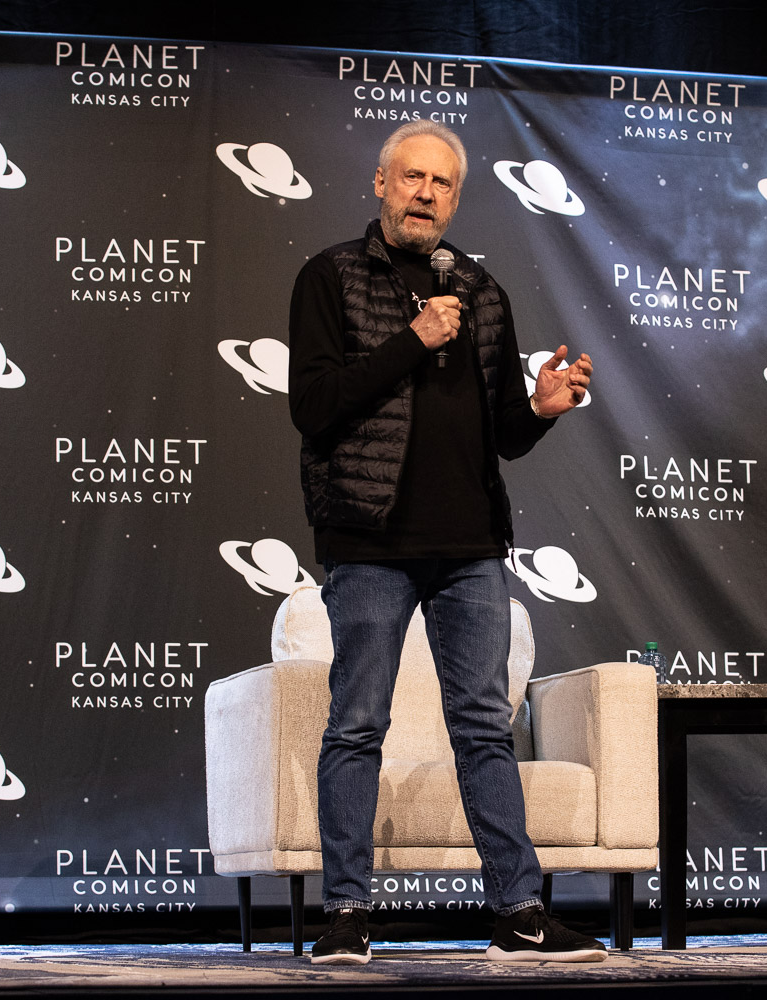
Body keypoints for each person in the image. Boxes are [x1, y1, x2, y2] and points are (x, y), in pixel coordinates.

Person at [286, 120, 599, 965]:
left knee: (485, 729)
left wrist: (538, 408)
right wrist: (410, 341)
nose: (426, 194)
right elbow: (314, 407)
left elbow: (500, 433)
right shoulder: (331, 277)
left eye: (443, 184)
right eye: (412, 178)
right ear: (380, 184)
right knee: (356, 726)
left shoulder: (484, 294)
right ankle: (346, 916)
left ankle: (520, 914)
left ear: (457, 198)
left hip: (470, 545)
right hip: (369, 539)